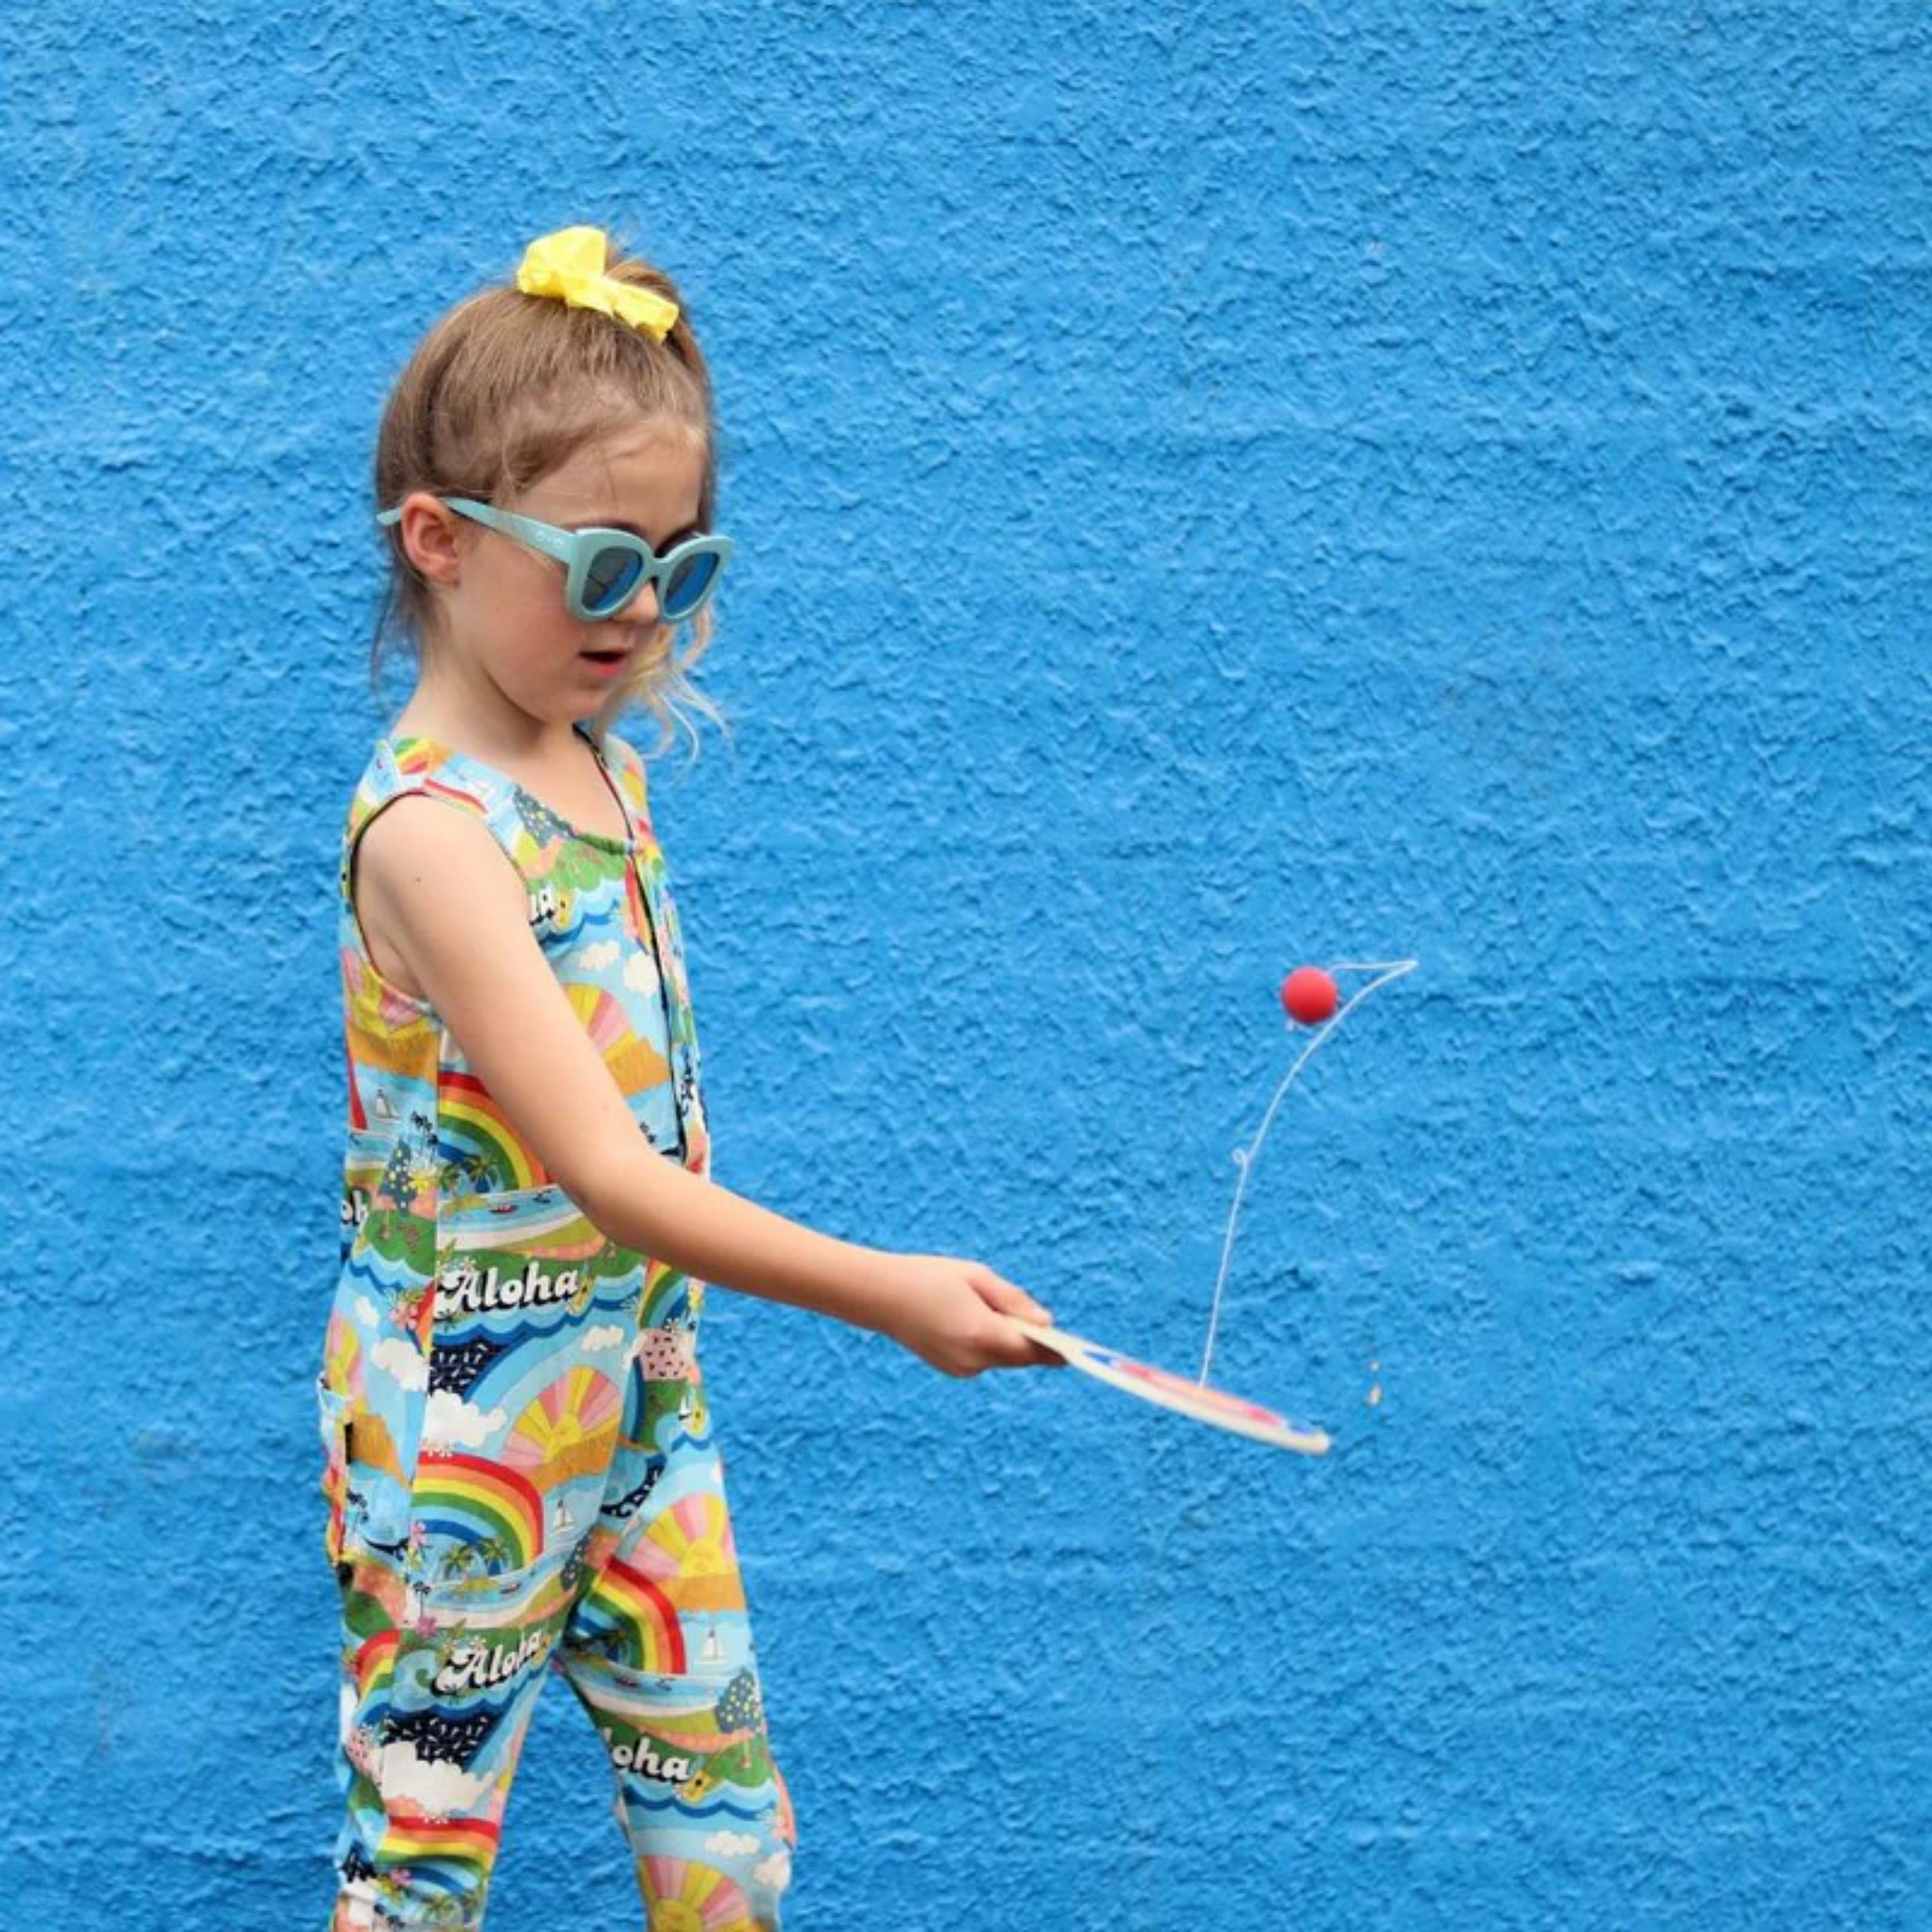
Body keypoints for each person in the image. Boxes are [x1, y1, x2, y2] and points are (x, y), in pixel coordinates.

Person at [317, 223, 1064, 1932]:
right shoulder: (437, 834)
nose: (642, 611)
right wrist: (892, 1292)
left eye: (680, 562)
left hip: (640, 1394)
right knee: (420, 1868)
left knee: (726, 1835)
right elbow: (602, 1167)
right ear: (438, 540)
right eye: (597, 565)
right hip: (461, 1434)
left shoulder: (598, 768)